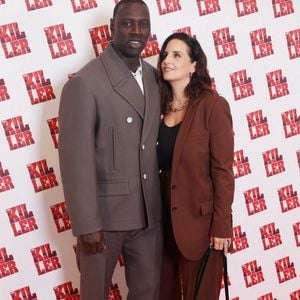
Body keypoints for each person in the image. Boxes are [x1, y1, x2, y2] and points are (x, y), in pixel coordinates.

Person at [58, 1, 163, 299]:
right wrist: (86, 224)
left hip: (148, 214)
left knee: (148, 293)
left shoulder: (156, 79)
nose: (136, 31)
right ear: (111, 28)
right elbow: (75, 161)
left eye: (143, 24)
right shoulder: (85, 83)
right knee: (94, 294)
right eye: (127, 23)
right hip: (103, 219)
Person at [156, 32, 235, 300]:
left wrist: (222, 226)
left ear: (194, 65)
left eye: (177, 55)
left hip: (201, 227)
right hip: (161, 225)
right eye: (165, 54)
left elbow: (223, 171)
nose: (167, 60)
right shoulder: (158, 109)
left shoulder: (212, 106)